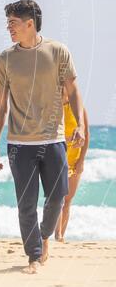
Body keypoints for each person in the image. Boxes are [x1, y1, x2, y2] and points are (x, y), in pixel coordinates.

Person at [0, 0, 85, 274]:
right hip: (19, 143)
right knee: (26, 203)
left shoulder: (58, 52)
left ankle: (44, 236)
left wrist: (78, 125)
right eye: (8, 23)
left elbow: (74, 90)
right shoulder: (5, 58)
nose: (9, 28)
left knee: (58, 196)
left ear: (30, 23)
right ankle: (33, 256)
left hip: (54, 139)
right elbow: (0, 103)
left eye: (13, 23)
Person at [54, 92, 90, 242]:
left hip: (75, 159)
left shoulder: (79, 108)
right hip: (58, 158)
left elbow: (87, 135)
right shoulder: (53, 107)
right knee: (58, 198)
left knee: (68, 200)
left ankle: (61, 235)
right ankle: (57, 234)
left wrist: (81, 160)